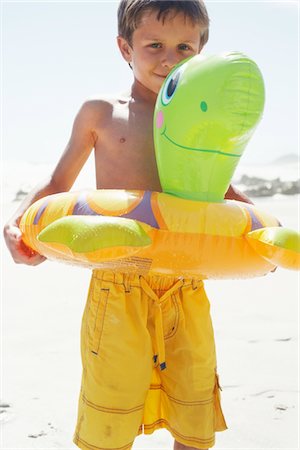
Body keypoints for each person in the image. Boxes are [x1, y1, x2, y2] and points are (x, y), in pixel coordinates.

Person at [3, 1, 253, 449]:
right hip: (117, 284)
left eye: (184, 47)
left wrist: (260, 238)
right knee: (110, 414)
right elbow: (58, 182)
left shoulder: (201, 125)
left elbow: (222, 194)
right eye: (154, 45)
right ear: (125, 49)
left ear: (202, 52)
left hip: (185, 285)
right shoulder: (101, 113)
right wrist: (19, 224)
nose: (169, 59)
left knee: (193, 409)